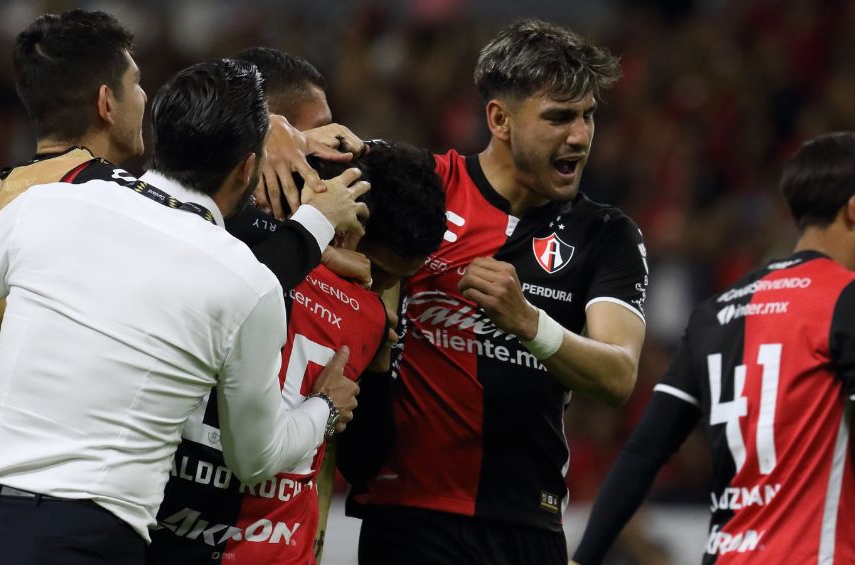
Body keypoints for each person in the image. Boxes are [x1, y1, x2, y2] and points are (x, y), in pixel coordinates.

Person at [0, 59, 361, 565]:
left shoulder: (52, 205)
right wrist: (326, 407)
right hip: (90, 540)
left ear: (159, 136)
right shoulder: (246, 284)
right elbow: (256, 458)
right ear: (247, 169)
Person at [352, 19, 649, 565]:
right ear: (499, 119)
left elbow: (618, 374)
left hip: (528, 522)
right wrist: (286, 133)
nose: (580, 137)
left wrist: (532, 325)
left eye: (588, 116)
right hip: (411, 517)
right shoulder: (425, 185)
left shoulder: (606, 235)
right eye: (559, 117)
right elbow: (311, 159)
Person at [0, 10, 147, 562]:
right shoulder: (118, 206)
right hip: (69, 487)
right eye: (137, 85)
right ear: (107, 103)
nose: (145, 100)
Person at [148, 141, 447, 565]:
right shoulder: (240, 248)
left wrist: (378, 370)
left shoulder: (229, 246)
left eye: (394, 281)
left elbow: (364, 463)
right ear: (346, 224)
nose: (376, 285)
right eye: (378, 270)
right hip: (244, 537)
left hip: (183, 526)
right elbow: (364, 467)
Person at [572, 132, 855, 564]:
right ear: (853, 209)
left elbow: (645, 449)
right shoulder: (844, 298)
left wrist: (583, 557)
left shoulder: (716, 311)